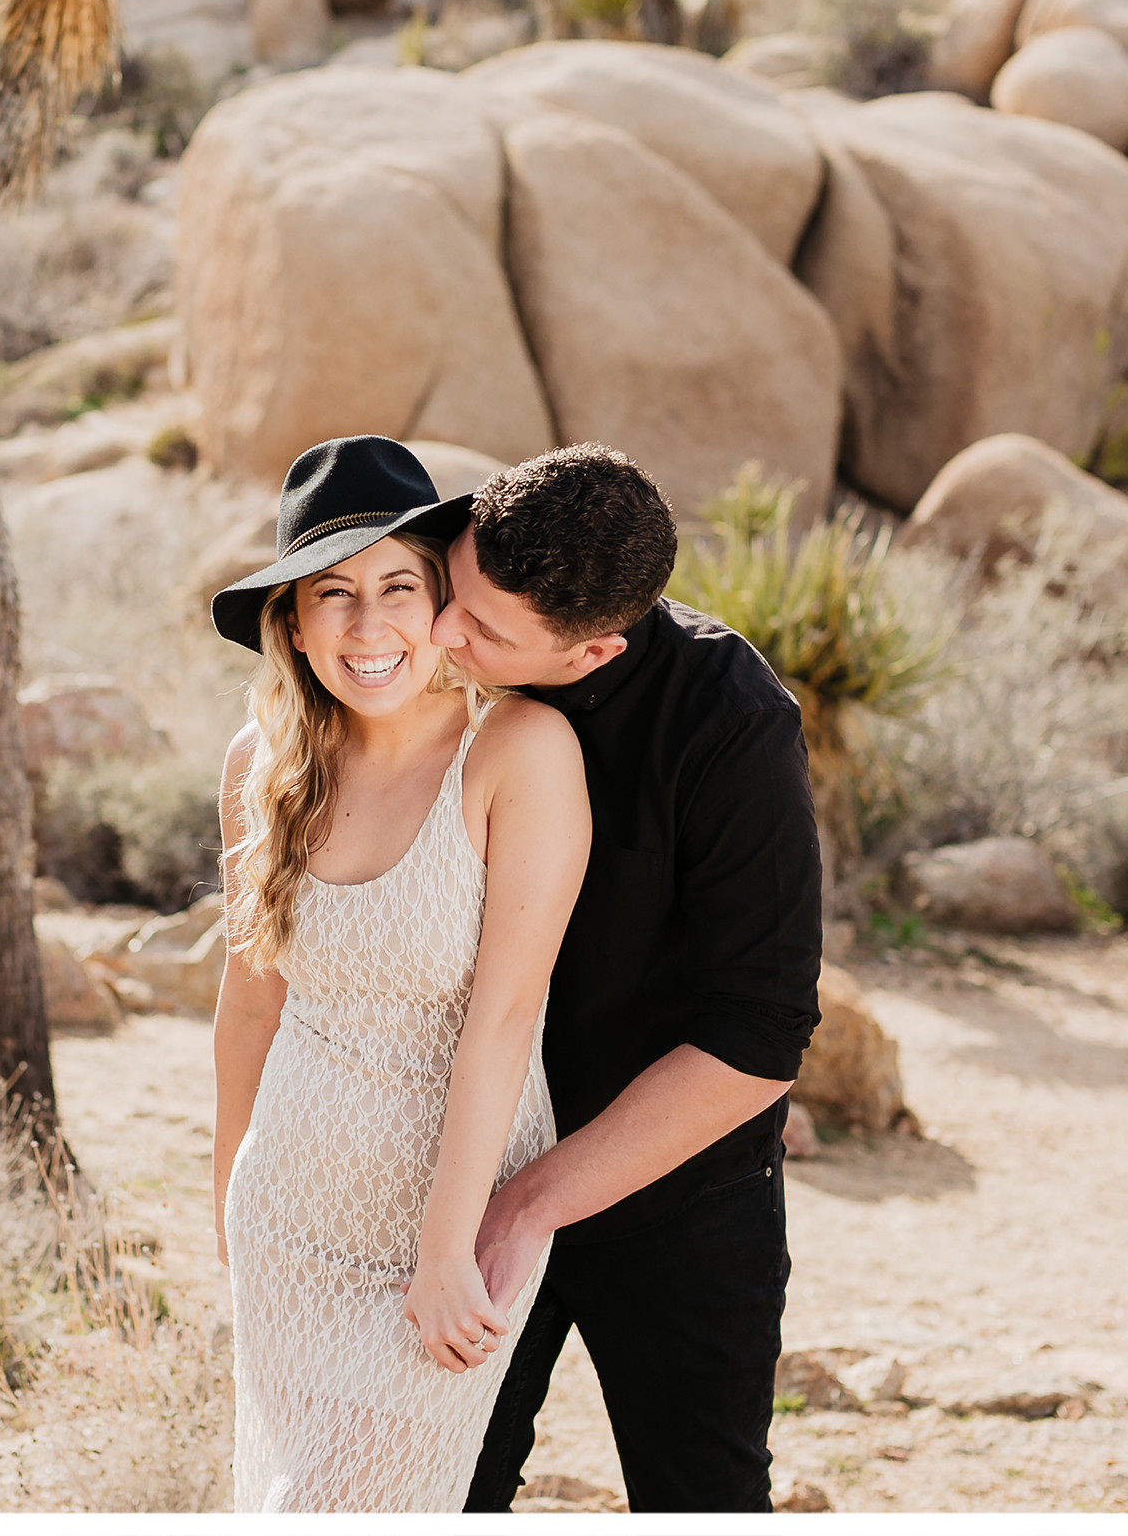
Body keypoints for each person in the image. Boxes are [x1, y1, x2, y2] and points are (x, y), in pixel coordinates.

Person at [429, 443, 825, 1513]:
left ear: (597, 647)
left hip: (678, 1194)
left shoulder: (733, 725)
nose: (440, 634)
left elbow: (758, 1037)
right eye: (452, 592)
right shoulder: (434, 630)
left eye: (486, 634)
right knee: (431, 1491)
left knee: (699, 1496)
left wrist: (530, 1203)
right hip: (453, 1168)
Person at [207, 435, 591, 1512]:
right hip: (286, 1222)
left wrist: (443, 1250)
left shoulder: (516, 750)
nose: (367, 627)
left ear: (442, 604)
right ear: (289, 620)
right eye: (332, 594)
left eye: (396, 587)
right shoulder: (261, 762)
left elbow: (505, 1020)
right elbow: (250, 997)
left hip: (440, 1240)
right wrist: (224, 1195)